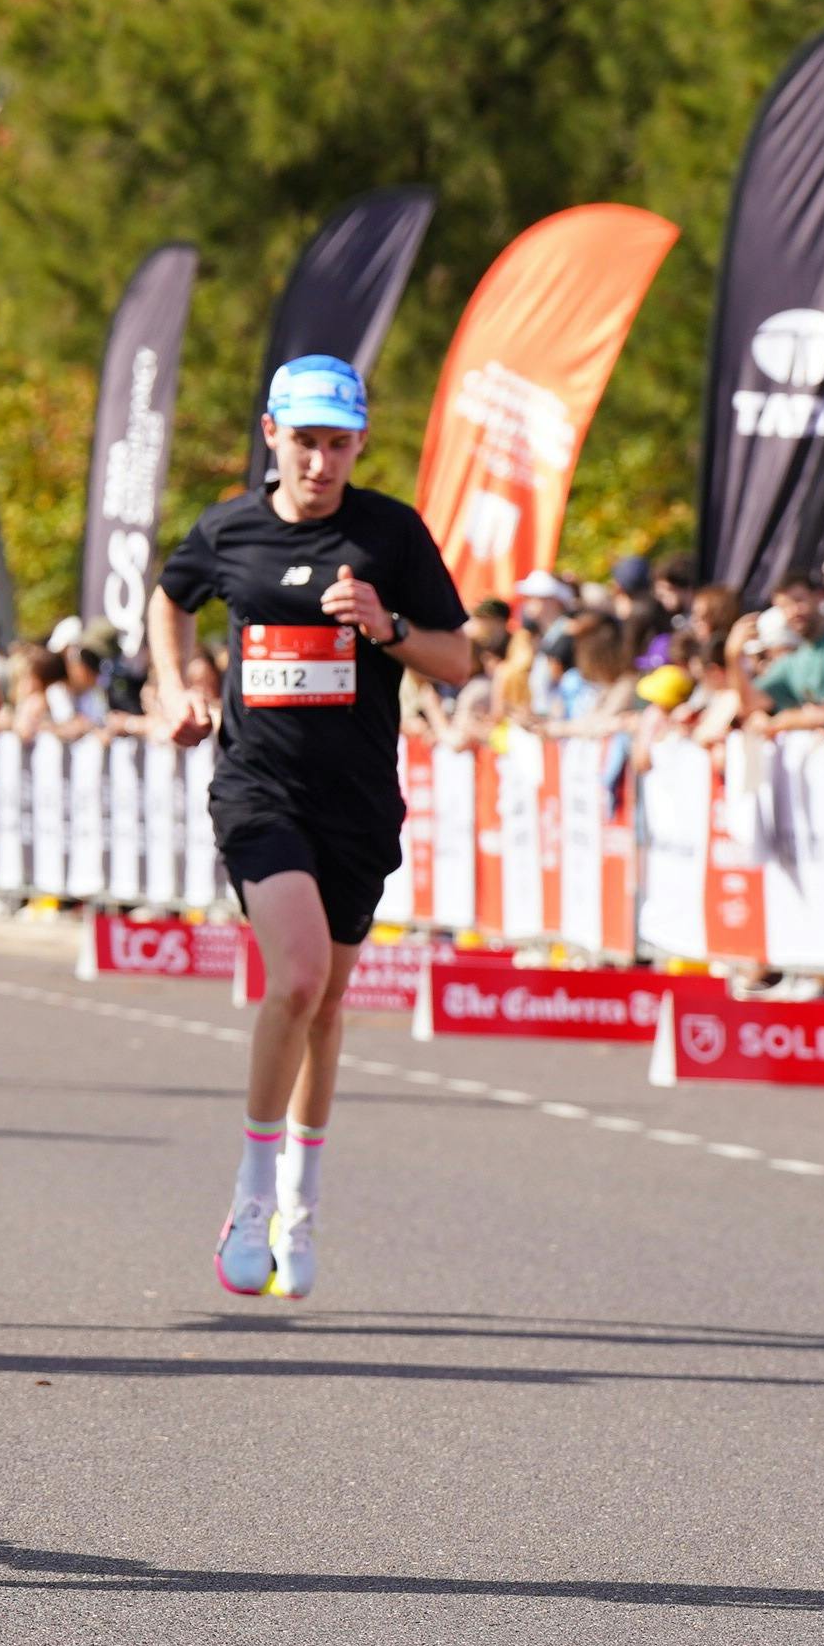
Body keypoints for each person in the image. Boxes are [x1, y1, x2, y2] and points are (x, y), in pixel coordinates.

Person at [147, 355, 472, 1302]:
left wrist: (385, 624)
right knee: (295, 977)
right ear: (272, 437)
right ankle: (248, 1198)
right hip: (258, 789)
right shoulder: (228, 530)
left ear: (360, 444)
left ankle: (301, 1203)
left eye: (338, 445)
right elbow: (171, 598)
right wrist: (176, 685)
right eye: (305, 442)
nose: (320, 462)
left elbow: (456, 658)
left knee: (328, 1005)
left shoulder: (390, 534)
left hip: (359, 802)